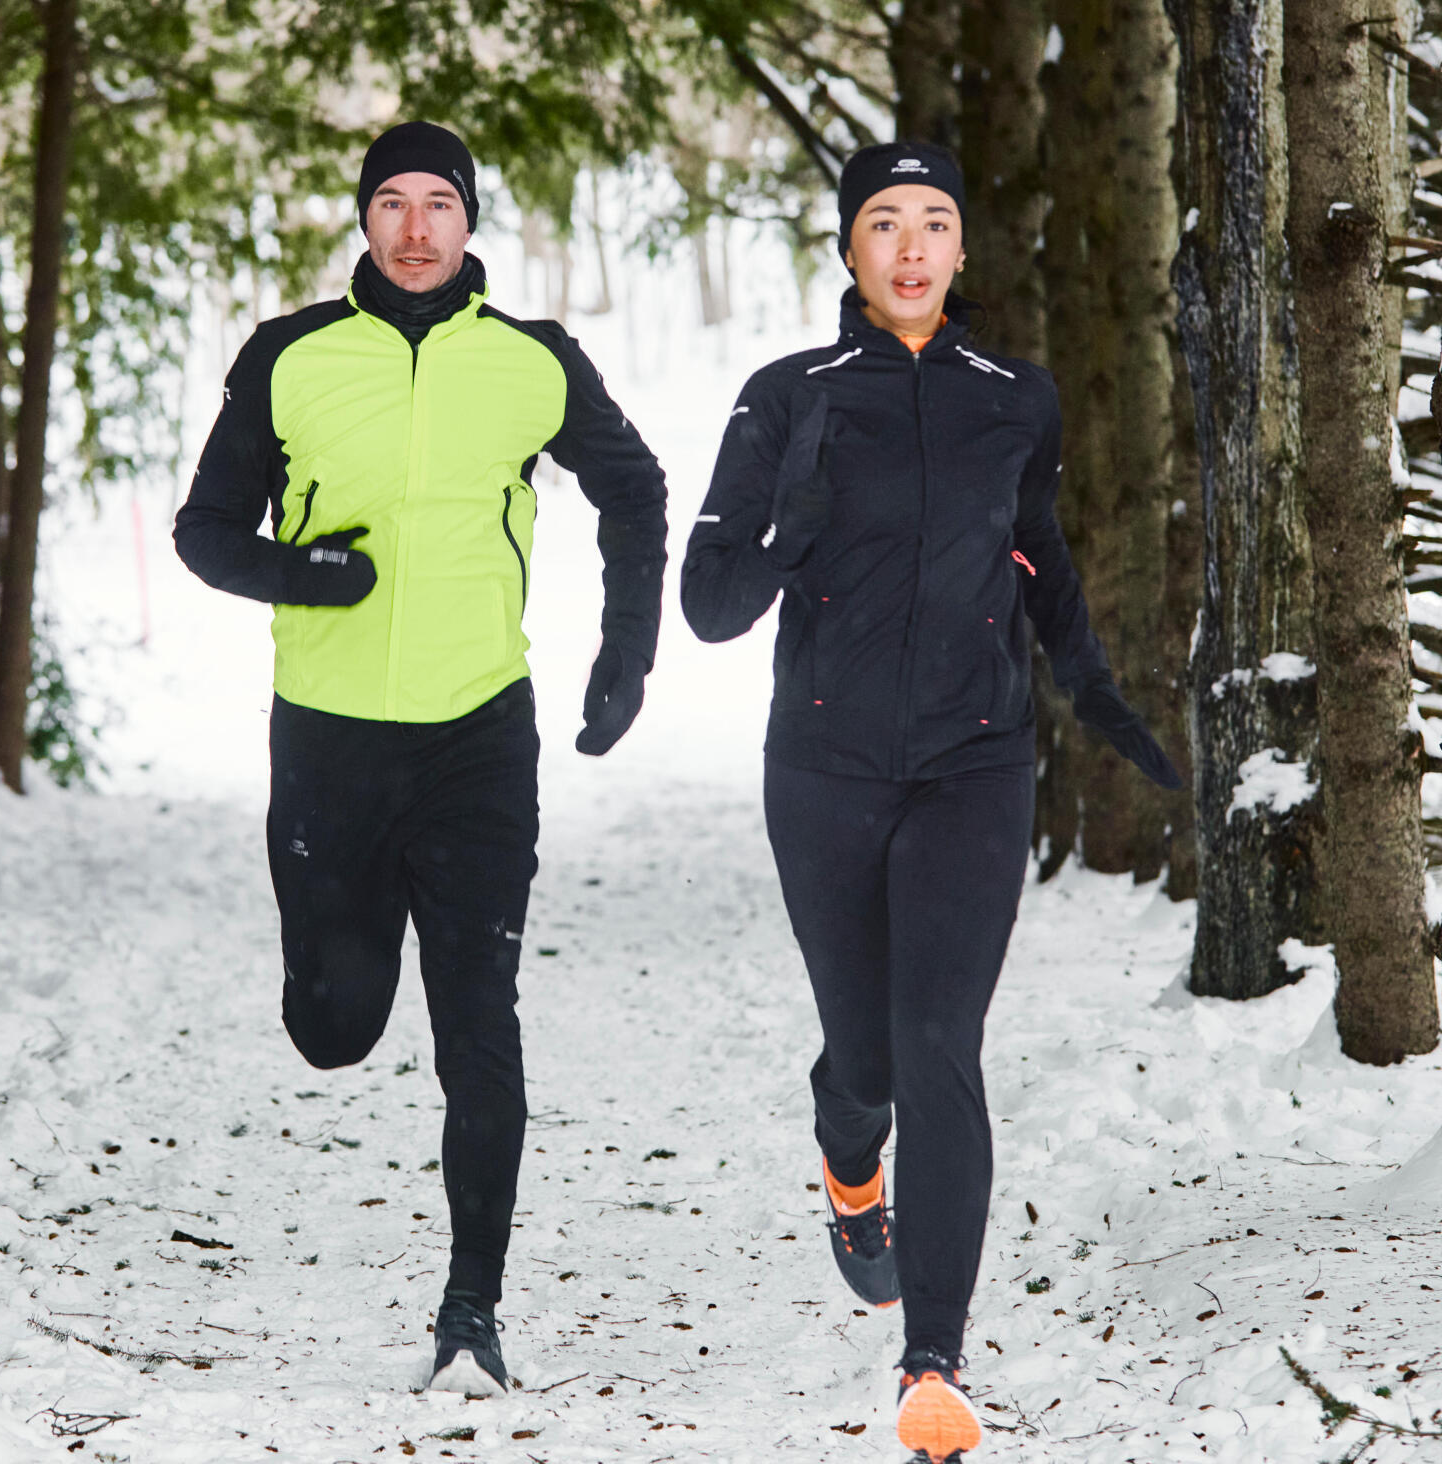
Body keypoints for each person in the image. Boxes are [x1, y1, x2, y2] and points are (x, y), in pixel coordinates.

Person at [680, 141, 1180, 1464]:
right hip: (826, 768)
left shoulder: (1017, 396)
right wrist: (792, 516)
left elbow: (1043, 561)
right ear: (851, 251)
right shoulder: (785, 396)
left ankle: (932, 1370)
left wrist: (1103, 700)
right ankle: (851, 1157)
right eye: (885, 223)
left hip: (975, 760)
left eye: (937, 222)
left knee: (939, 1042)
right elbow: (713, 606)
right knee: (868, 1061)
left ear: (963, 253)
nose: (911, 245)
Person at [174, 120, 668, 1398]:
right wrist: (306, 573)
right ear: (365, 218)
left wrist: (627, 653)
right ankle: (343, 950)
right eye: (390, 201)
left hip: (476, 743)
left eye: (436, 202)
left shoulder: (531, 362)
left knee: (479, 1025)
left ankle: (471, 1312)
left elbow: (638, 489)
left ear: (470, 221)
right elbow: (204, 533)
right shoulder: (289, 356)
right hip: (330, 741)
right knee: (336, 1028)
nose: (412, 226)